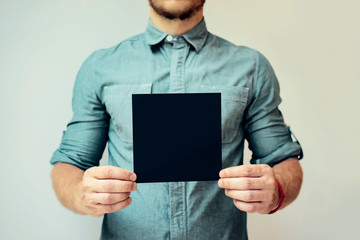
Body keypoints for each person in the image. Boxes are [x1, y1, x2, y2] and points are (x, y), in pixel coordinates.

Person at [50, 0, 304, 239]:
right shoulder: (99, 67)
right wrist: (80, 193)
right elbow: (70, 164)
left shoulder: (252, 66)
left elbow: (282, 160)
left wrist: (277, 190)